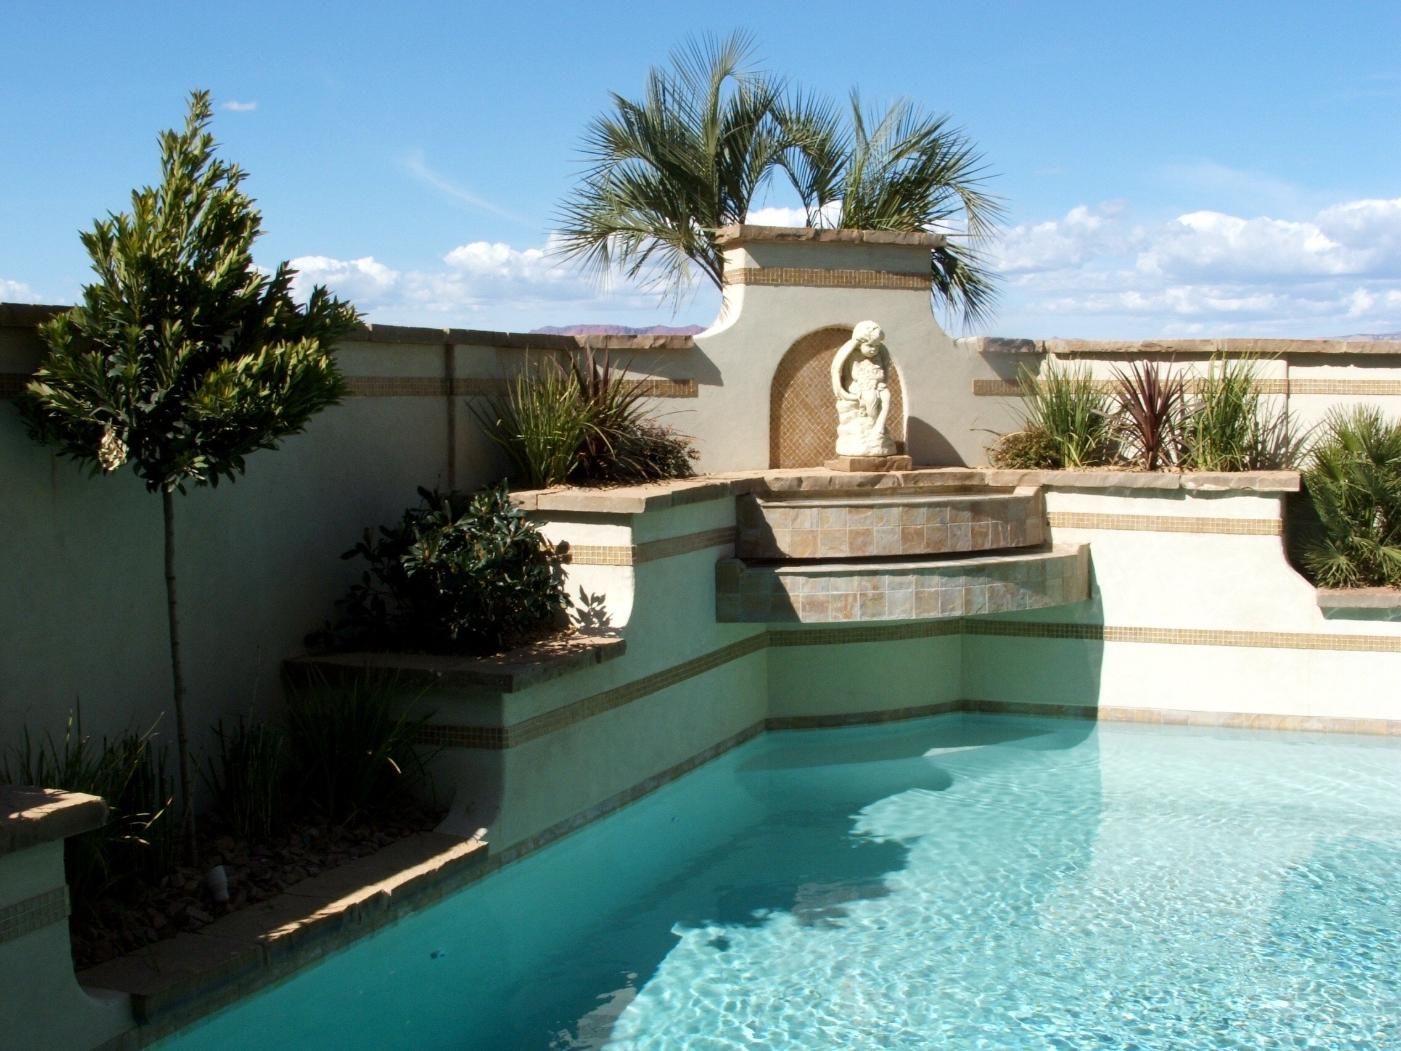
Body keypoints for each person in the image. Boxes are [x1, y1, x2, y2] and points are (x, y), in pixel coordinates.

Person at [830, 320, 896, 457]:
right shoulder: (852, 355)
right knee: (870, 398)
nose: (873, 349)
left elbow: (885, 369)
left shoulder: (879, 354)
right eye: (870, 346)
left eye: (877, 346)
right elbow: (837, 368)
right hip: (859, 388)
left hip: (876, 385)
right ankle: (873, 425)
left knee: (886, 397)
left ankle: (879, 426)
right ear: (859, 343)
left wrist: (882, 383)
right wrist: (844, 393)